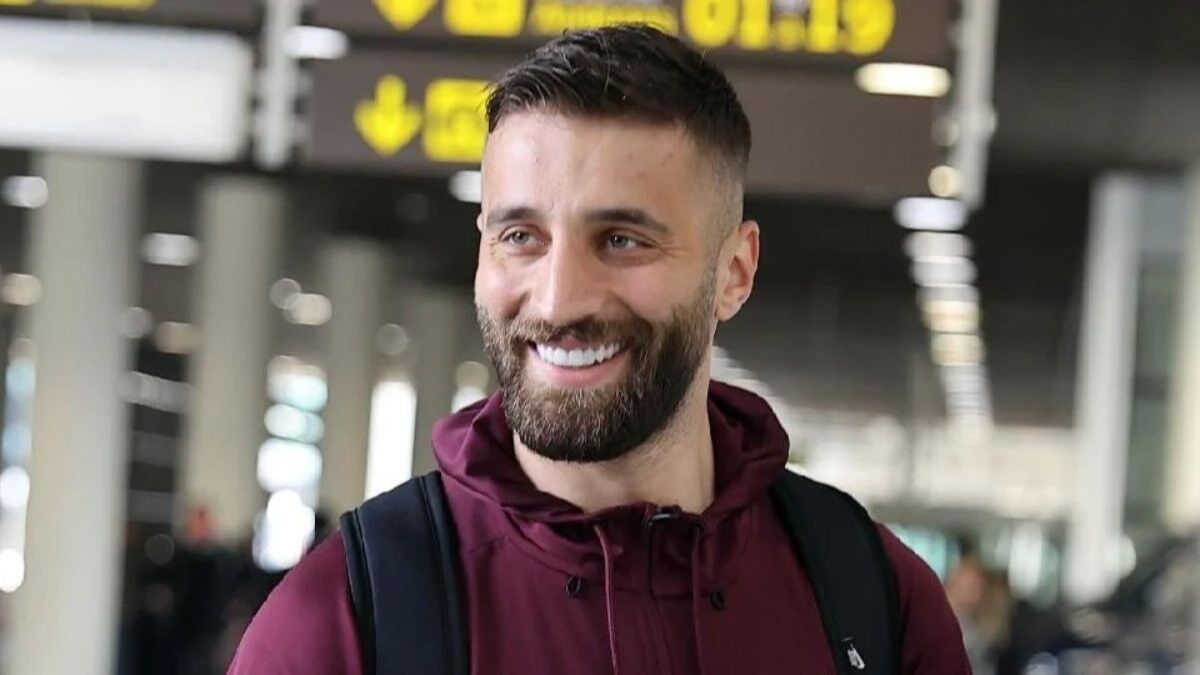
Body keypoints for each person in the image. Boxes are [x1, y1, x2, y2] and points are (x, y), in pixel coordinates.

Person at [229, 24, 971, 675]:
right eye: (520, 236)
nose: (559, 301)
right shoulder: (344, 622)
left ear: (734, 273)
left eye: (622, 240)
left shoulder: (873, 601)